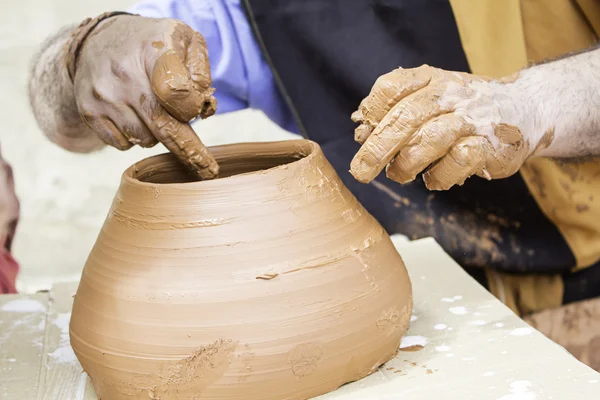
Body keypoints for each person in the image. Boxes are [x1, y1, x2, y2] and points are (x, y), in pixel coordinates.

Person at [21, 0, 600, 368]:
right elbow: (66, 124)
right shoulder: (246, 13)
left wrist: (526, 104)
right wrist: (89, 49)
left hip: (585, 284)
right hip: (419, 294)